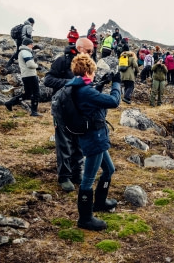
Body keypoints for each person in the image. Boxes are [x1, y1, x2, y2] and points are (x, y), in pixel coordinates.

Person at [68, 53, 121, 231]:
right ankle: (85, 218)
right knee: (88, 180)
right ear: (89, 70)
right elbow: (114, 102)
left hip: (95, 136)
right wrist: (116, 83)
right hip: (94, 138)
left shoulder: (79, 86)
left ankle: (99, 202)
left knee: (109, 169)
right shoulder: (85, 91)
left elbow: (89, 99)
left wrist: (101, 84)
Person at [44, 38, 93, 192]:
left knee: (79, 140)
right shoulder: (62, 61)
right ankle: (64, 177)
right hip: (63, 108)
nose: (92, 53)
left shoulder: (88, 63)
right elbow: (48, 79)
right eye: (89, 50)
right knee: (64, 143)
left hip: (79, 109)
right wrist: (70, 82)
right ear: (79, 48)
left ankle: (77, 173)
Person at [4, 38, 42, 116]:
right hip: (30, 75)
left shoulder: (22, 52)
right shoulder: (26, 52)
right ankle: (34, 112)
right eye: (32, 44)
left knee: (27, 94)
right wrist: (37, 66)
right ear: (28, 44)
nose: (33, 45)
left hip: (25, 75)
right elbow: (30, 64)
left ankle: (10, 103)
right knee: (36, 93)